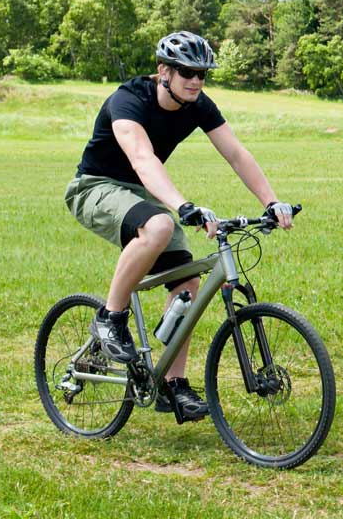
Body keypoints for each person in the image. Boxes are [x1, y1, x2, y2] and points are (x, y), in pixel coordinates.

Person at [64, 31, 295, 420]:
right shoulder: (128, 100)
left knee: (187, 282)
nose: (196, 81)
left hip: (140, 193)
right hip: (95, 188)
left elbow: (236, 154)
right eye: (186, 71)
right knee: (156, 226)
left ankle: (172, 386)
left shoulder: (198, 105)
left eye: (202, 74)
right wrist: (181, 205)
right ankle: (111, 318)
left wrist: (270, 201)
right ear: (163, 72)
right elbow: (142, 158)